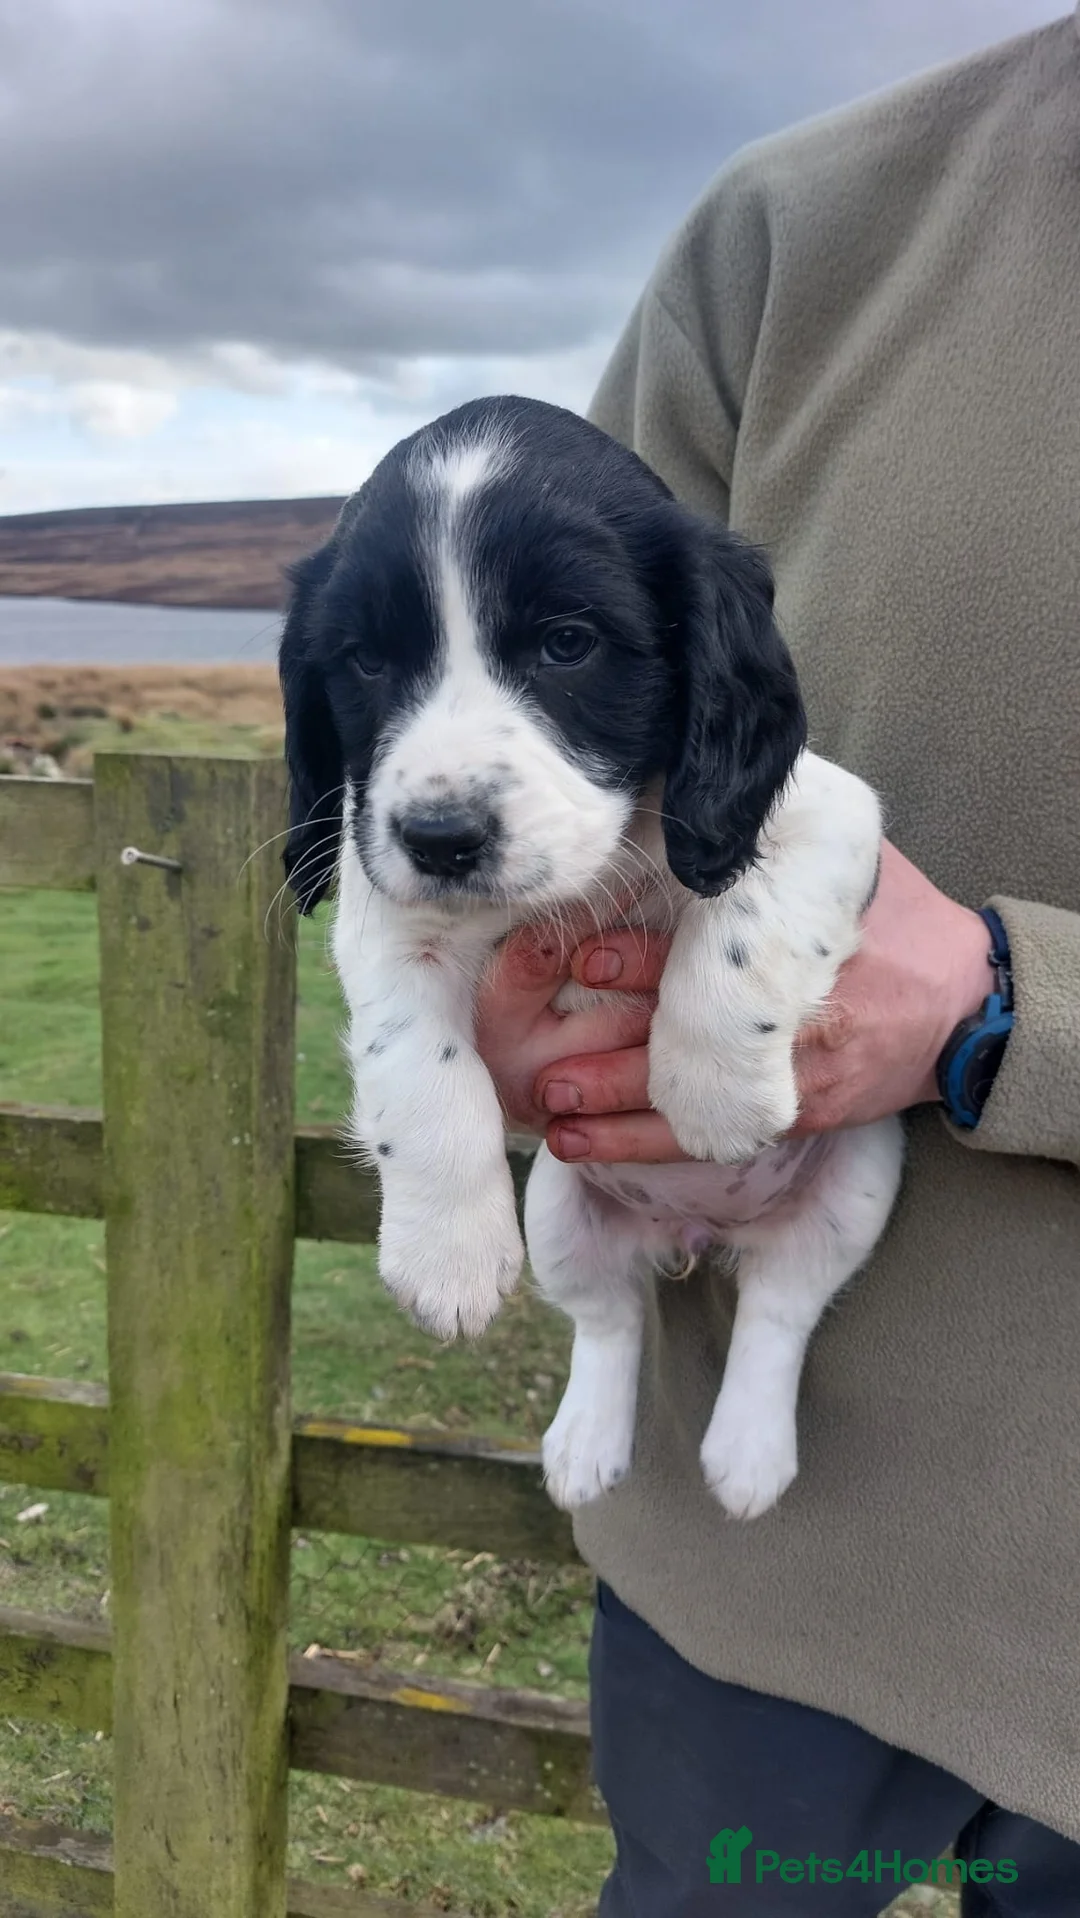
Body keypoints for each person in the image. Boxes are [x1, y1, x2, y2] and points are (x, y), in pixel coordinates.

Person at [475, 11, 1080, 1914]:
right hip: (768, 1570)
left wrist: (1008, 1010)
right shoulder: (793, 231)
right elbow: (522, 710)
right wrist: (511, 991)